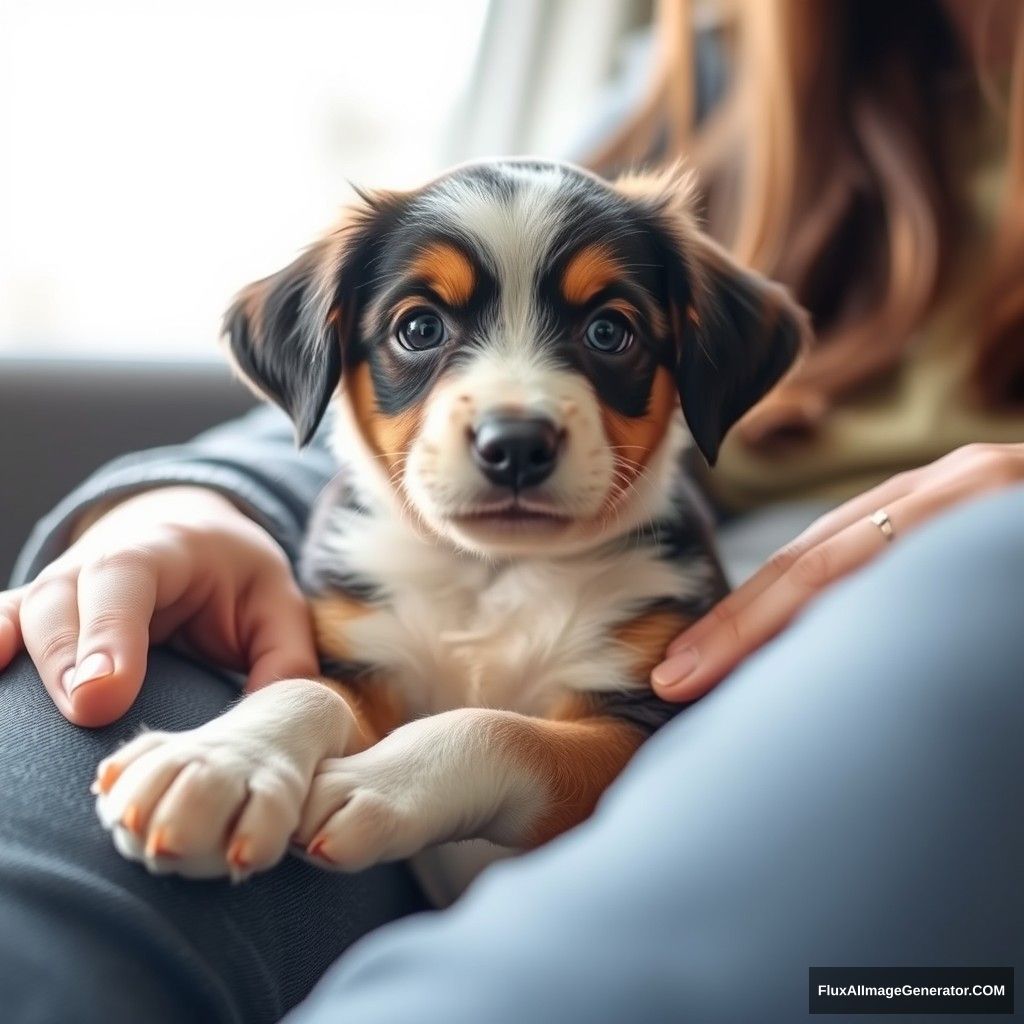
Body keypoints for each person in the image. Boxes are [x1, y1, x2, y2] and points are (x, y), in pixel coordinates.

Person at [1, 1, 1022, 1020]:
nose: (516, 418)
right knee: (50, 860)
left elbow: (628, 758)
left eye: (611, 332)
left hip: (853, 715)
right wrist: (194, 500)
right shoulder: (728, 86)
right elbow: (347, 389)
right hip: (388, 629)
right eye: (420, 323)